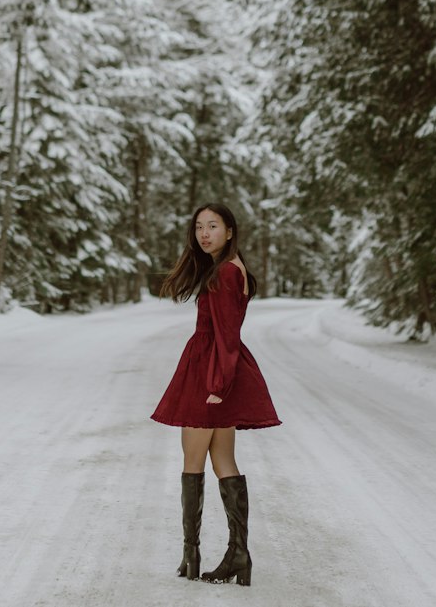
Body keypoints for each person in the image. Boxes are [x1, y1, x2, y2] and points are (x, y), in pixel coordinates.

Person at [150, 202, 281, 587]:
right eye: (199, 227)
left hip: (210, 373)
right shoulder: (229, 268)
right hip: (215, 369)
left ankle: (191, 553)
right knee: (222, 457)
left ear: (230, 231)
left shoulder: (225, 272)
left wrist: (217, 387)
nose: (204, 233)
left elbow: (227, 337)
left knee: (193, 459)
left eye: (212, 226)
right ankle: (237, 553)